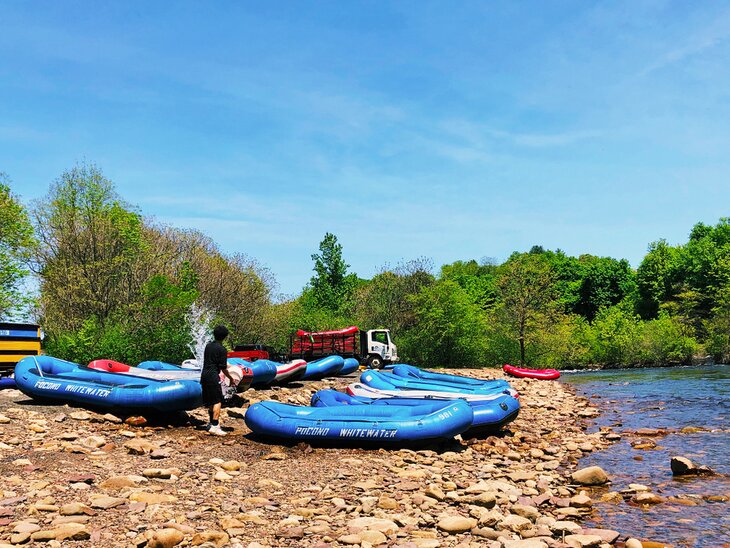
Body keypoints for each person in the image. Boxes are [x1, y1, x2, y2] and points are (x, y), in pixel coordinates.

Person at [201, 325, 235, 436]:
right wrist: (230, 378)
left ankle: (211, 423)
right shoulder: (222, 349)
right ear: (225, 337)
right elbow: (223, 368)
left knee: (211, 400)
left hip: (204, 375)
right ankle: (215, 426)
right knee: (217, 401)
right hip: (213, 376)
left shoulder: (208, 346)